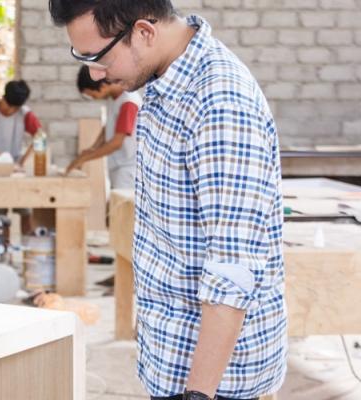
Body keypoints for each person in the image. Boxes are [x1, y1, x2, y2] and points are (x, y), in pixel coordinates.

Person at [49, 2, 287, 400]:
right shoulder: (161, 83)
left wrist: (197, 393)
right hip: (172, 360)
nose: (94, 73)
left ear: (144, 32)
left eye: (98, 57)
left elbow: (233, 270)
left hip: (216, 383)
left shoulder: (220, 103)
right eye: (82, 57)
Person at [66, 65, 142, 190]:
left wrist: (85, 158)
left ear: (103, 86)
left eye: (92, 95)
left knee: (121, 207)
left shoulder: (128, 102)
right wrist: (93, 147)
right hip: (118, 166)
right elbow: (109, 127)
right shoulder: (113, 98)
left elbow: (116, 143)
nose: (93, 98)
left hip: (128, 169)